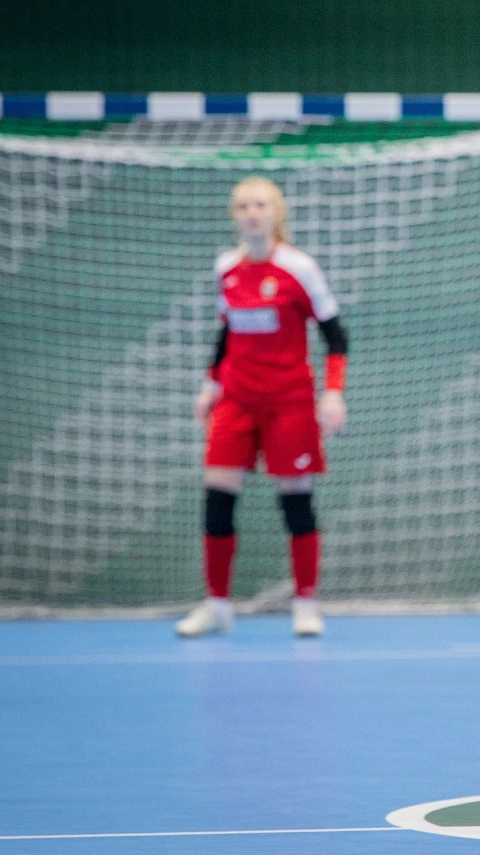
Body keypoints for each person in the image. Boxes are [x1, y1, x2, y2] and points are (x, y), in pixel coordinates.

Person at [176, 177, 348, 639]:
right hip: (236, 400)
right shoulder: (226, 268)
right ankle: (217, 606)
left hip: (288, 402)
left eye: (260, 205)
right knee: (217, 495)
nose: (251, 214)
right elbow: (227, 332)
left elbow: (336, 336)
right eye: (242, 206)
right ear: (233, 216)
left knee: (295, 500)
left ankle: (306, 604)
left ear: (276, 213)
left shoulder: (299, 268)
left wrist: (333, 392)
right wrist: (210, 385)